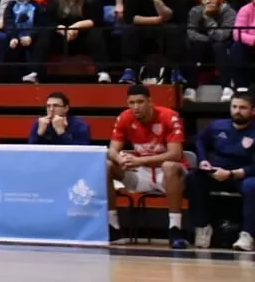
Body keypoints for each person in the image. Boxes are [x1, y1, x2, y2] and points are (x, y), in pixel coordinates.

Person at [107, 82, 190, 247]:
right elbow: (112, 150)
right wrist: (119, 159)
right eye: (131, 103)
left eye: (140, 102)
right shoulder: (125, 117)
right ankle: (113, 228)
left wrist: (139, 160)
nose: (135, 107)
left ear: (150, 101)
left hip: (169, 176)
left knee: (170, 166)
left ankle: (175, 228)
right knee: (107, 165)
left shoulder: (169, 116)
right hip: (141, 174)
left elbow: (175, 154)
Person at [187, 90, 255, 251]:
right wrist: (203, 160)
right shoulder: (217, 126)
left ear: (253, 110)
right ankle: (202, 227)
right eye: (234, 106)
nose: (237, 111)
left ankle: (247, 235)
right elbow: (200, 141)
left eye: (243, 108)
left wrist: (233, 173)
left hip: (245, 174)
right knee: (193, 178)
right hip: (217, 172)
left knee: (252, 186)